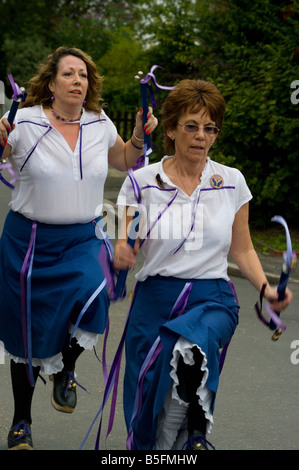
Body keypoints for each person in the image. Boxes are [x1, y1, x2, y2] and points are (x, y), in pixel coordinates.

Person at [114, 79, 293, 450]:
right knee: (148, 399)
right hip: (153, 301)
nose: (201, 136)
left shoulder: (231, 182)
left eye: (210, 128)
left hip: (212, 298)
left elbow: (242, 250)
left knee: (194, 345)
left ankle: (197, 435)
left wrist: (265, 288)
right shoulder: (141, 183)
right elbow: (126, 240)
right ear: (170, 129)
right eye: (191, 126)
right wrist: (122, 252)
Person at [0, 46, 157, 450]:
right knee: (26, 335)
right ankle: (21, 422)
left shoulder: (100, 122)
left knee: (96, 296)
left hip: (83, 238)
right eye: (68, 74)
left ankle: (64, 368)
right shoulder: (24, 122)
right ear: (50, 84)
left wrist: (139, 136)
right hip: (29, 242)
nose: (77, 81)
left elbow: (124, 159)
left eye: (83, 75)